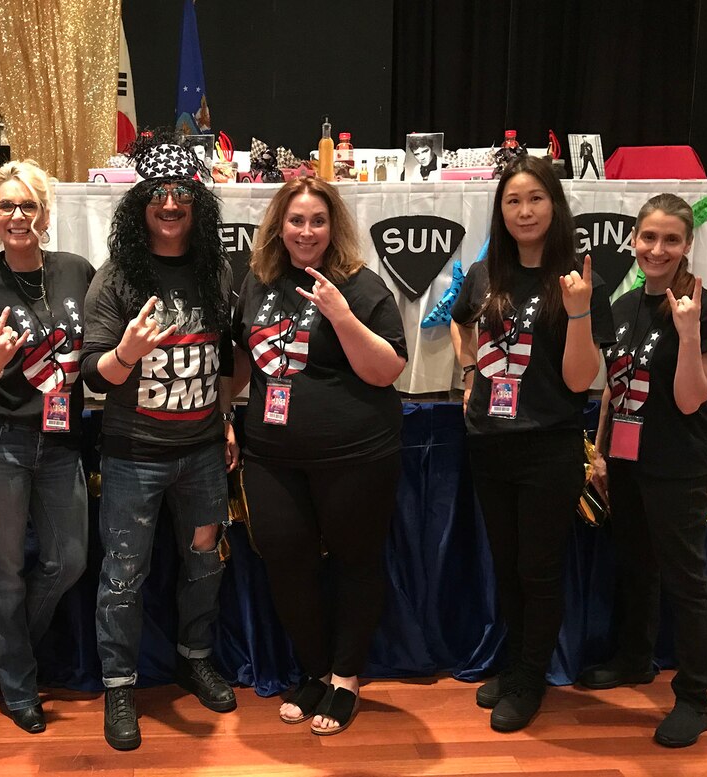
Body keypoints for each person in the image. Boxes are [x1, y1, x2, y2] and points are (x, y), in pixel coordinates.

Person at [231, 176, 407, 735]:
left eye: (318, 221)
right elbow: (241, 363)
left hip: (356, 454)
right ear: (278, 225)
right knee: (285, 559)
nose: (306, 231)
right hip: (270, 455)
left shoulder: (359, 285)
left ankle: (347, 677)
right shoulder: (256, 283)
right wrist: (217, 418)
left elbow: (386, 370)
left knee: (356, 561)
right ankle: (312, 669)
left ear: (334, 228)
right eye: (296, 220)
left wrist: (341, 315)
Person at [80, 133, 238, 751]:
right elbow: (92, 375)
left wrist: (225, 418)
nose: (170, 204)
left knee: (204, 562)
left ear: (198, 205)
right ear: (139, 203)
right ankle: (120, 684)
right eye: (159, 194)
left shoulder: (216, 270)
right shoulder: (116, 277)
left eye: (183, 194)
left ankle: (194, 657)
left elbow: (226, 355)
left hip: (201, 451)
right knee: (122, 575)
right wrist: (126, 353)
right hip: (133, 455)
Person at [449, 155, 615, 732]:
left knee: (538, 569)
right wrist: (470, 373)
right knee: (506, 563)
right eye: (513, 200)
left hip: (549, 444)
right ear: (500, 209)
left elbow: (578, 381)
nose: (524, 211)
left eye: (536, 199)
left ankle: (530, 678)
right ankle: (518, 661)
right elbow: (461, 320)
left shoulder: (577, 278)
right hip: (489, 441)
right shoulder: (485, 272)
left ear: (555, 206)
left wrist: (577, 313)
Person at [0, 159, 94, 734]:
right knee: (4, 572)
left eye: (28, 204)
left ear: (46, 213)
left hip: (61, 442)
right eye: (6, 205)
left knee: (69, 559)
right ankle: (18, 682)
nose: (17, 215)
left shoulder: (77, 271)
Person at [584, 193, 707, 748]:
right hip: (625, 460)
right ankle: (634, 659)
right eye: (648, 238)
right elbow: (611, 390)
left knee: (685, 580)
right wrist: (599, 451)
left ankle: (695, 695)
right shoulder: (622, 310)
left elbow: (693, 399)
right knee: (635, 565)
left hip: (677, 465)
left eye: (671, 239)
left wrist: (689, 334)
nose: (657, 249)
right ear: (634, 241)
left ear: (688, 245)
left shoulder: (700, 304)